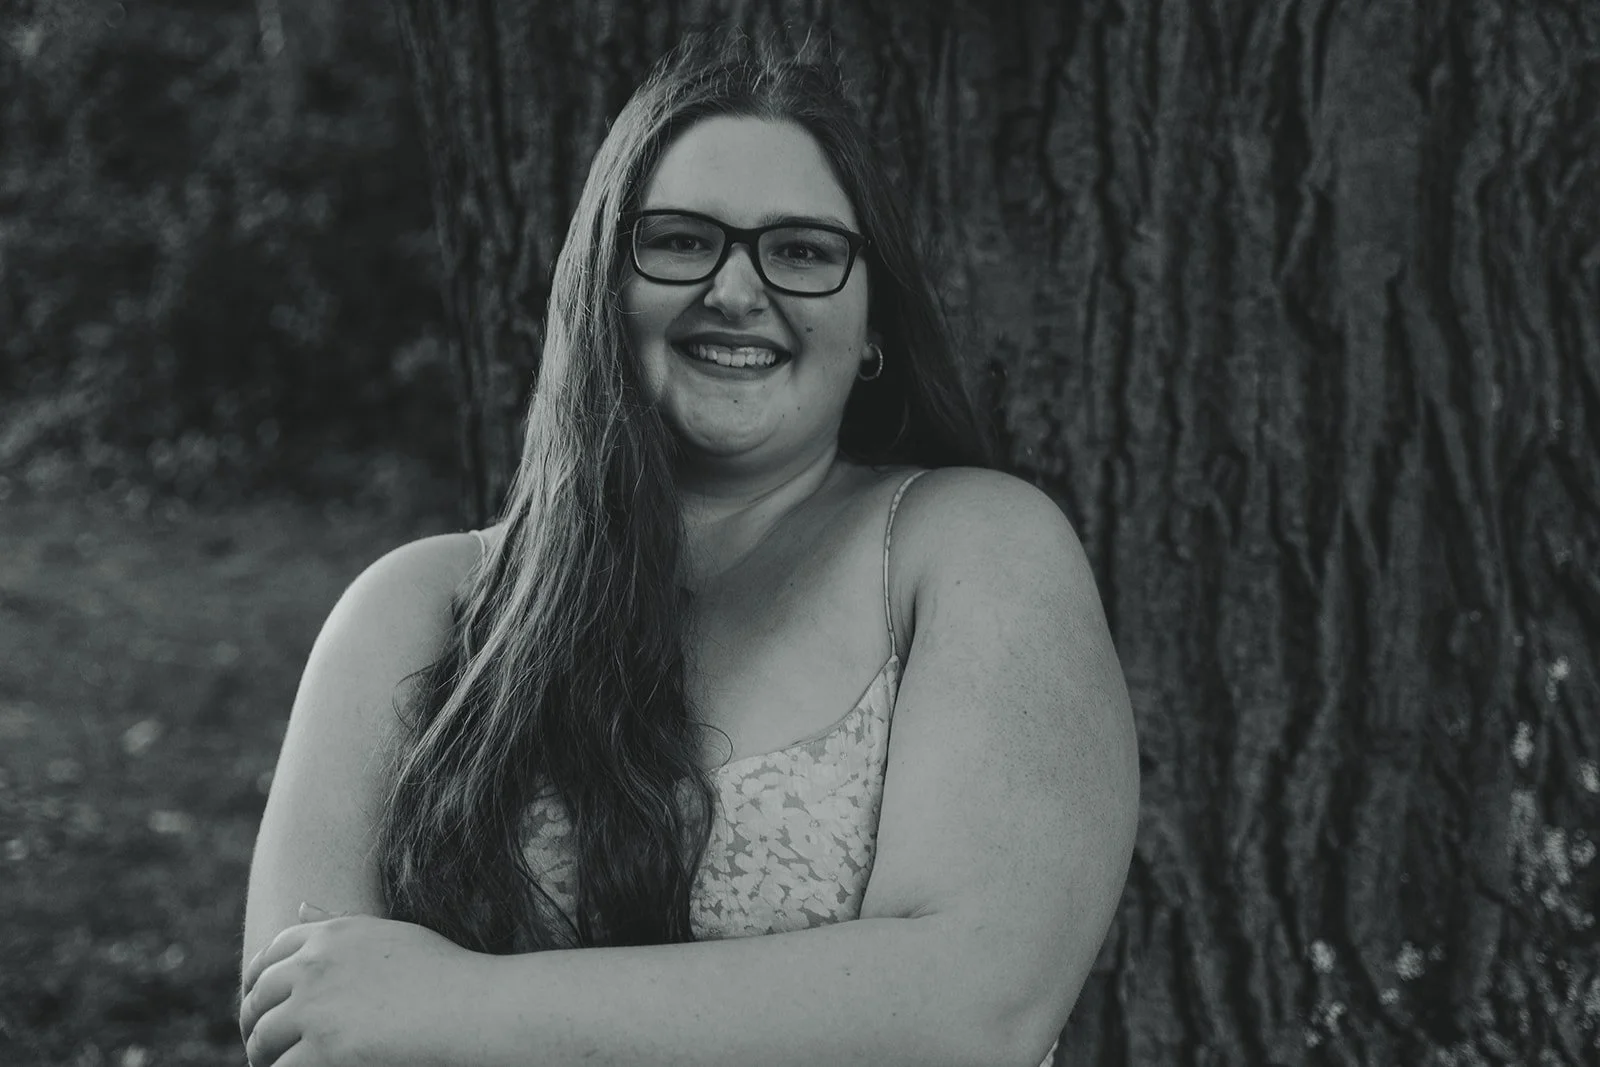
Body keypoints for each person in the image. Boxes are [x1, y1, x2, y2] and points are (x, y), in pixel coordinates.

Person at [238, 29, 1138, 1067]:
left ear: (874, 320)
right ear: (601, 290)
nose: (737, 289)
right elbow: (304, 1017)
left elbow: (974, 1004)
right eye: (679, 239)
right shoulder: (417, 606)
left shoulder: (971, 548)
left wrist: (467, 1002)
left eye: (801, 250)